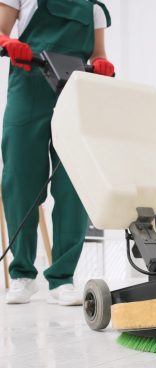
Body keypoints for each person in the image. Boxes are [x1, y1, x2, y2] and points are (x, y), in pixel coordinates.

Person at [0, 0, 114, 305]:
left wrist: (101, 64)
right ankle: (22, 274)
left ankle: (62, 278)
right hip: (28, 84)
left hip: (74, 91)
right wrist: (10, 43)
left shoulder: (94, 9)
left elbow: (98, 53)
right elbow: (0, 30)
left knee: (73, 183)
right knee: (18, 181)